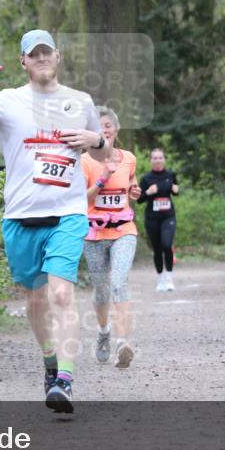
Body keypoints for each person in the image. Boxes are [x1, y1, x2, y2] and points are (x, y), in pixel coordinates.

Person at [0, 29, 110, 414]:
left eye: (47, 52)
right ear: (24, 61)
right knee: (35, 299)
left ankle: (65, 380)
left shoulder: (80, 101)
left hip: (67, 213)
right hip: (20, 216)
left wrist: (95, 140)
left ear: (58, 56)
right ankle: (50, 363)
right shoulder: (7, 101)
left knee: (61, 294)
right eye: (35, 54)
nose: (42, 58)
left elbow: (103, 152)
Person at [81, 107, 141, 369]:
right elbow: (81, 199)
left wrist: (134, 189)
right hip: (93, 234)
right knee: (101, 291)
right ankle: (104, 332)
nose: (103, 130)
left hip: (123, 231)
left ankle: (122, 344)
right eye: (98, 126)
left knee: (119, 283)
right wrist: (103, 178)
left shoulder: (128, 158)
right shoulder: (84, 161)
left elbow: (131, 182)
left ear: (116, 130)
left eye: (107, 125)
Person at [136, 148, 180, 291]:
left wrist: (176, 190)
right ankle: (160, 278)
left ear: (164, 159)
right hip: (152, 218)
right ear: (151, 160)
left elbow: (176, 190)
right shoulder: (146, 178)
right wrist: (148, 192)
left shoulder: (170, 175)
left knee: (167, 245)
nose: (158, 160)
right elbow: (139, 199)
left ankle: (169, 278)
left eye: (160, 157)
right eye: (155, 158)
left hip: (168, 216)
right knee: (157, 248)